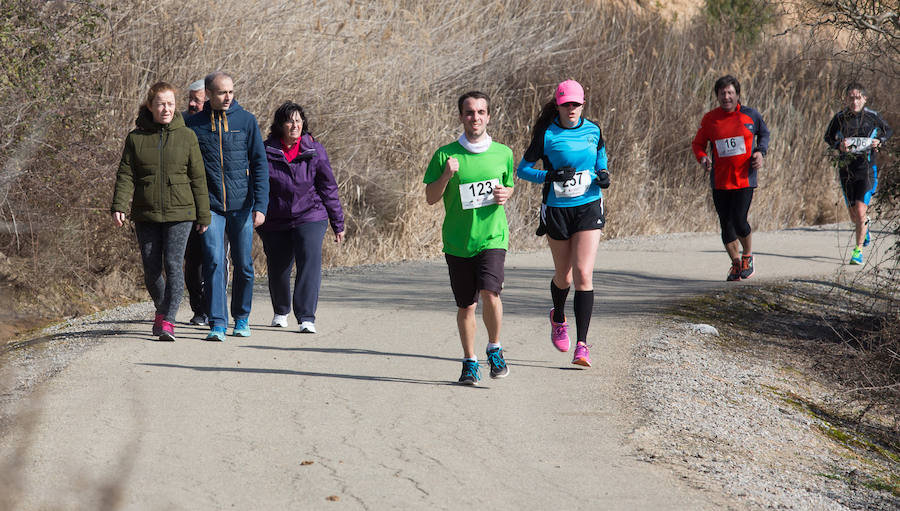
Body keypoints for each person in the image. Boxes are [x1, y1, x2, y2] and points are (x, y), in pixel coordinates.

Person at [516, 79, 608, 368]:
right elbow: (523, 170)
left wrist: (603, 172)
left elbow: (601, 158)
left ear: (583, 104)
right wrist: (549, 177)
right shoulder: (547, 133)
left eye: (576, 104)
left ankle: (582, 346)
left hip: (588, 205)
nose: (571, 108)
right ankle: (558, 315)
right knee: (564, 275)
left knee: (583, 273)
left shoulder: (593, 130)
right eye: (566, 103)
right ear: (558, 104)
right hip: (557, 209)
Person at [424, 91, 514, 385]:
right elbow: (430, 197)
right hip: (458, 241)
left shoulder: (503, 153)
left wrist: (506, 193)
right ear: (461, 116)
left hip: (492, 237)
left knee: (491, 292)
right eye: (469, 112)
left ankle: (495, 348)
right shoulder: (445, 155)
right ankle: (469, 362)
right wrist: (446, 176)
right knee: (467, 306)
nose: (475, 117)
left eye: (480, 112)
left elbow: (508, 185)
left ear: (488, 116)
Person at [111, 82, 211, 341]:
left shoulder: (187, 136)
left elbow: (198, 177)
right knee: (151, 268)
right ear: (150, 106)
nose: (165, 109)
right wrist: (119, 205)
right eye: (160, 104)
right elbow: (125, 174)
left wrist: (203, 214)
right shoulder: (136, 138)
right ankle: (161, 308)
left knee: (173, 265)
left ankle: (168, 320)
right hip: (146, 213)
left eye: (170, 103)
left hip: (181, 212)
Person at [185, 71, 269, 341]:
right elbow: (187, 169)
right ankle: (217, 322)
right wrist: (195, 209)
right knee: (213, 261)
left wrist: (261, 205)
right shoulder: (194, 126)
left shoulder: (246, 121)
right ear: (208, 94)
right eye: (222, 92)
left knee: (243, 264)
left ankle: (241, 318)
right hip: (209, 206)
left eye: (231, 91)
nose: (228, 96)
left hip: (242, 205)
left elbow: (259, 164)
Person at [257, 102, 345, 333]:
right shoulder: (265, 151)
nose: (295, 125)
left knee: (309, 259)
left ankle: (306, 316)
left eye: (298, 120)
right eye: (289, 121)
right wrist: (256, 214)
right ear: (280, 125)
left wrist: (338, 222)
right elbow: (257, 186)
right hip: (275, 219)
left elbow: (328, 188)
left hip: (310, 214)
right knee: (278, 266)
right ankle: (281, 310)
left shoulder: (314, 150)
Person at [691, 75, 769, 281]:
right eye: (722, 93)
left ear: (737, 95)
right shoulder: (710, 119)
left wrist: (760, 152)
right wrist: (703, 158)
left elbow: (764, 134)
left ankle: (747, 256)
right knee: (725, 224)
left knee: (739, 220)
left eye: (730, 93)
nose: (726, 97)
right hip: (720, 180)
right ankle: (735, 264)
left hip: (745, 178)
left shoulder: (751, 115)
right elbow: (698, 145)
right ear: (717, 96)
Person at [823, 82, 893, 265]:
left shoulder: (872, 117)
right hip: (846, 170)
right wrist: (838, 145)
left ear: (864, 99)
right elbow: (828, 137)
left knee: (861, 210)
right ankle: (865, 228)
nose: (854, 101)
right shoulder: (840, 118)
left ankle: (858, 251)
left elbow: (888, 131)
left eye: (858, 97)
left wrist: (880, 141)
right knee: (854, 215)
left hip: (866, 170)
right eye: (851, 98)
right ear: (846, 99)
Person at [182, 79, 209, 326]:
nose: (191, 103)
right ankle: (198, 308)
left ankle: (215, 308)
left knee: (214, 257)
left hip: (214, 202)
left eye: (197, 100)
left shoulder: (219, 124)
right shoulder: (180, 122)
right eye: (190, 98)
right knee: (192, 260)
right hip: (185, 202)